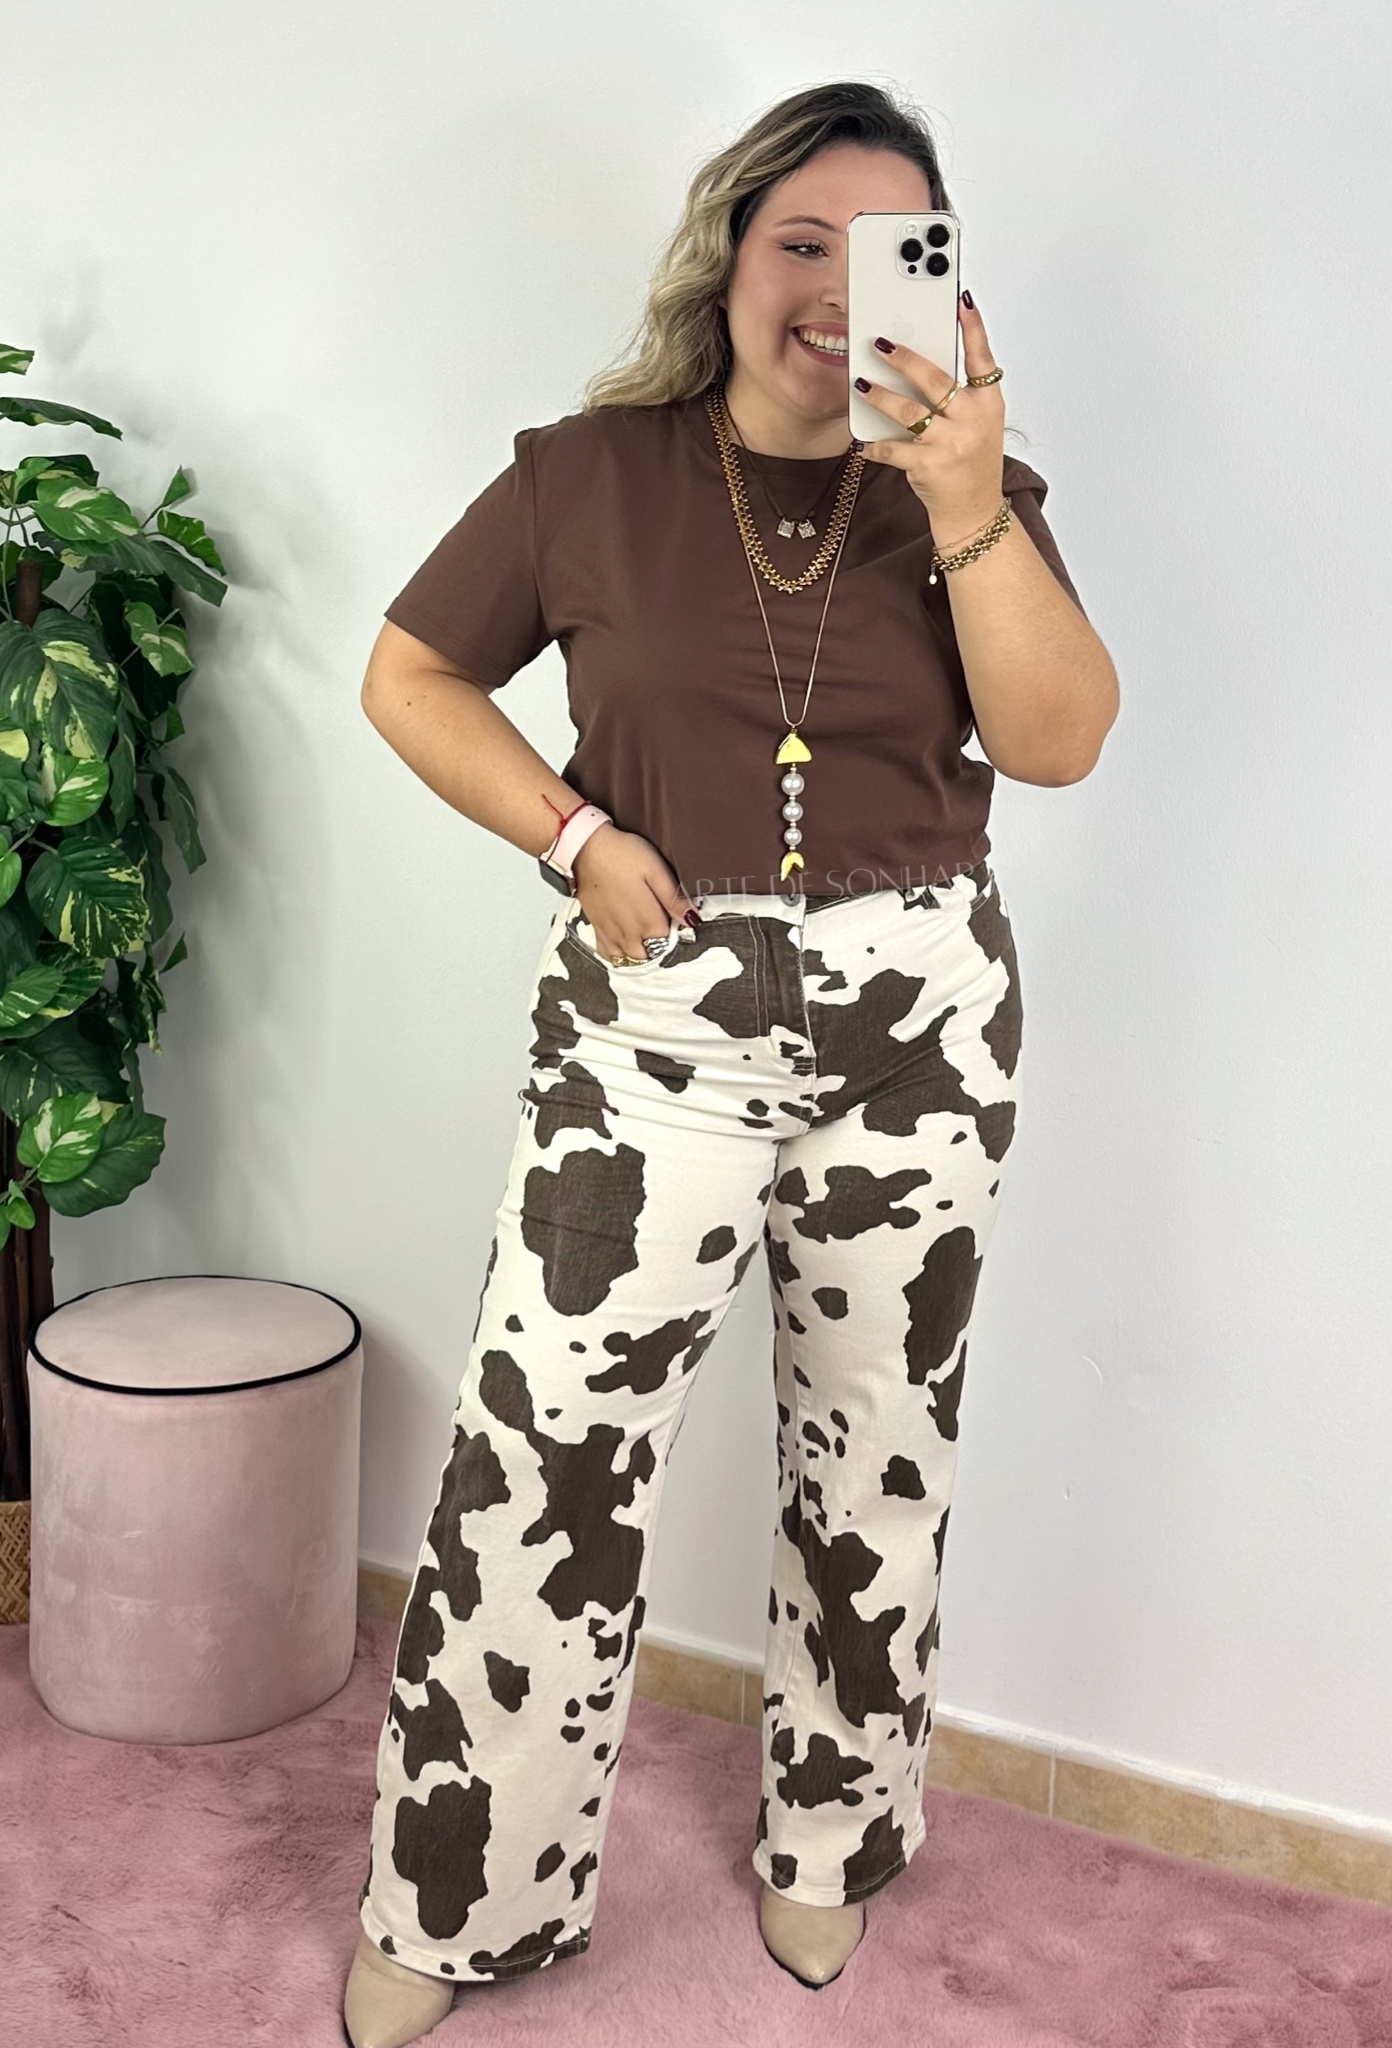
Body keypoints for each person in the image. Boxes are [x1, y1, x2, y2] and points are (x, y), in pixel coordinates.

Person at [342, 77, 1119, 2048]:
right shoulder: (586, 476)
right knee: (540, 1459)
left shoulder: (968, 490)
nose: (837, 289)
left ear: (941, 281)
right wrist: (570, 834)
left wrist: (965, 499)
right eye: (803, 241)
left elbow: (1060, 741)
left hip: (918, 1029)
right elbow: (409, 675)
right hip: (651, 1027)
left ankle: (830, 1839)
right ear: (731, 254)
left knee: (878, 1449)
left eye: (890, 251)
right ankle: (459, 1894)